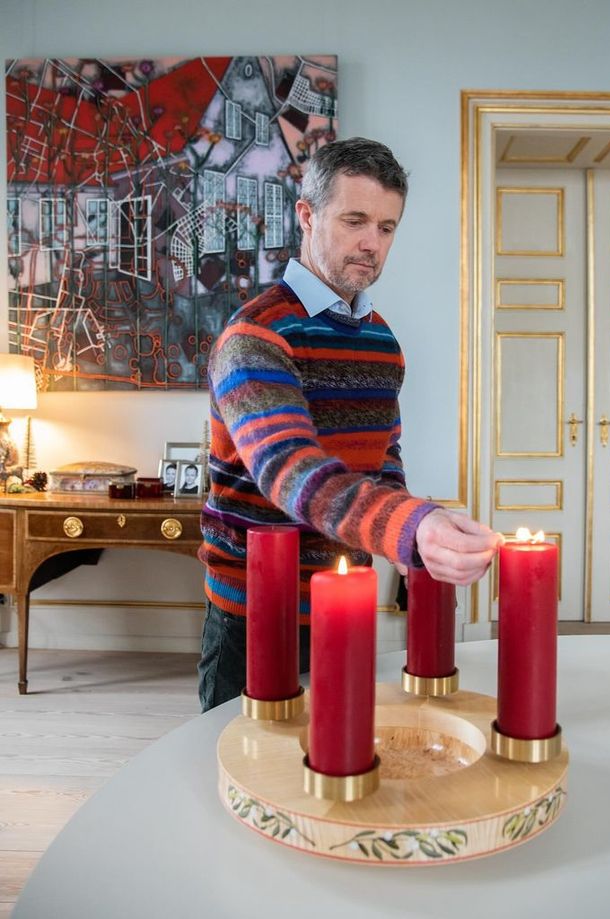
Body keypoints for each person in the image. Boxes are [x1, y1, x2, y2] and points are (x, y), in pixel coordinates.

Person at [197, 137, 503, 711]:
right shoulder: (255, 337)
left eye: (387, 228)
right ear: (307, 216)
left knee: (337, 770)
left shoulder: (383, 342)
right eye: (356, 220)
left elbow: (383, 469)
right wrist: (413, 527)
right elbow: (291, 473)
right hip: (254, 614)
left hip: (347, 602)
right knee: (239, 779)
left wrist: (422, 543)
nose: (372, 243)